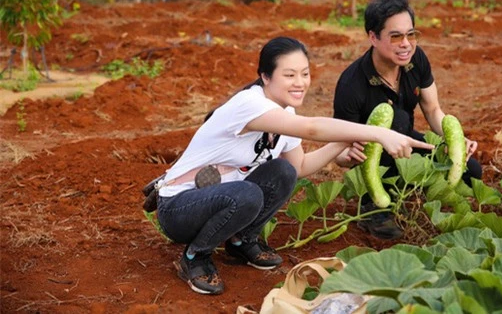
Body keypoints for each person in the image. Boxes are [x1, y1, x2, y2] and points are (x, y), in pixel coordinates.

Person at [155, 36, 432, 295]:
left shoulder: (285, 112)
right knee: (248, 195)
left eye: (305, 73)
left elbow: (299, 166)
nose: (300, 82)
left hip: (219, 200)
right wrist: (378, 132)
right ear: (265, 76)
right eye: (289, 75)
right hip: (179, 209)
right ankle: (195, 257)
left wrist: (342, 144)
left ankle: (241, 242)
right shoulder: (250, 104)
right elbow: (311, 128)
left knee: (283, 172)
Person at [333, 0, 483, 240]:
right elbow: (338, 148)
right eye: (396, 36)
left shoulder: (416, 60)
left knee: (472, 171)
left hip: (406, 144)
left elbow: (433, 109)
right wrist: (346, 156)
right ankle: (373, 206)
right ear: (373, 37)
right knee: (398, 120)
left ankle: (409, 189)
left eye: (411, 35)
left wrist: (454, 142)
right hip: (371, 162)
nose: (406, 44)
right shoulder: (352, 85)